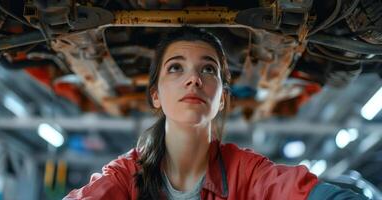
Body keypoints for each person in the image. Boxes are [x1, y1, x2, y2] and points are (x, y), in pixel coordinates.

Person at [63, 27, 369, 200]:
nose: (193, 79)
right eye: (175, 68)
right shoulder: (126, 176)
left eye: (208, 69)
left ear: (222, 97)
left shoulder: (246, 173)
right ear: (155, 95)